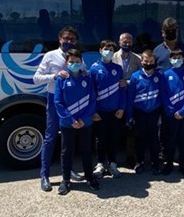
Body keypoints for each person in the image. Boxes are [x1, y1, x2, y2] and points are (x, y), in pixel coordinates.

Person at [33, 26, 78, 192]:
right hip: (54, 100)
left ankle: (68, 170)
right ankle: (44, 175)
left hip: (72, 101)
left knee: (69, 138)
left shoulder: (76, 56)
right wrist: (55, 76)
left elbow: (84, 72)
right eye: (66, 38)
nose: (69, 41)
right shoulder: (50, 56)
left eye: (72, 39)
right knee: (50, 137)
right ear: (60, 39)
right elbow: (36, 78)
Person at [54, 49, 99, 195]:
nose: (74, 64)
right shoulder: (62, 79)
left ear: (82, 62)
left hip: (85, 122)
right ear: (66, 63)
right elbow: (58, 102)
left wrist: (84, 119)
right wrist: (71, 120)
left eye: (77, 62)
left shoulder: (87, 77)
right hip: (68, 123)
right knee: (67, 151)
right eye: (71, 62)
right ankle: (66, 180)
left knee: (86, 150)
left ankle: (89, 177)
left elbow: (93, 99)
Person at [89, 40, 126, 179]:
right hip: (100, 112)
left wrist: (122, 107)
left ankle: (112, 164)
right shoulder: (93, 69)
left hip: (115, 112)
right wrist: (93, 111)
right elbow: (91, 93)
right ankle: (99, 164)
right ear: (100, 50)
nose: (108, 52)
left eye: (111, 49)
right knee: (100, 139)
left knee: (113, 138)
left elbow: (122, 90)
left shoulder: (118, 68)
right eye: (106, 49)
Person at [126, 50, 162, 175]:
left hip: (154, 113)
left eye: (151, 61)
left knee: (154, 139)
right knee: (139, 139)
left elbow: (162, 96)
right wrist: (129, 116)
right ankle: (139, 162)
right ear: (141, 61)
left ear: (154, 61)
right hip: (139, 113)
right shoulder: (135, 76)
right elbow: (130, 98)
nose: (148, 63)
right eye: (146, 61)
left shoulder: (159, 76)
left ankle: (155, 163)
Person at [160, 49, 184, 177]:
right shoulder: (165, 75)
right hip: (170, 114)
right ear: (170, 59)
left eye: (179, 57)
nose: (177, 60)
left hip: (183, 114)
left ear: (183, 59)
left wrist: (183, 111)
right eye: (174, 57)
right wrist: (171, 110)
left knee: (183, 140)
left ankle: (183, 165)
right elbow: (163, 94)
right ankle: (169, 164)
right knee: (170, 140)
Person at [113, 32, 142, 166]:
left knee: (131, 127)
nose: (127, 44)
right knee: (115, 127)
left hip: (131, 96)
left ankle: (130, 156)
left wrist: (129, 82)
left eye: (129, 42)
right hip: (116, 96)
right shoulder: (112, 57)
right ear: (119, 43)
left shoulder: (137, 58)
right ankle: (111, 159)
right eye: (124, 42)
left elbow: (142, 77)